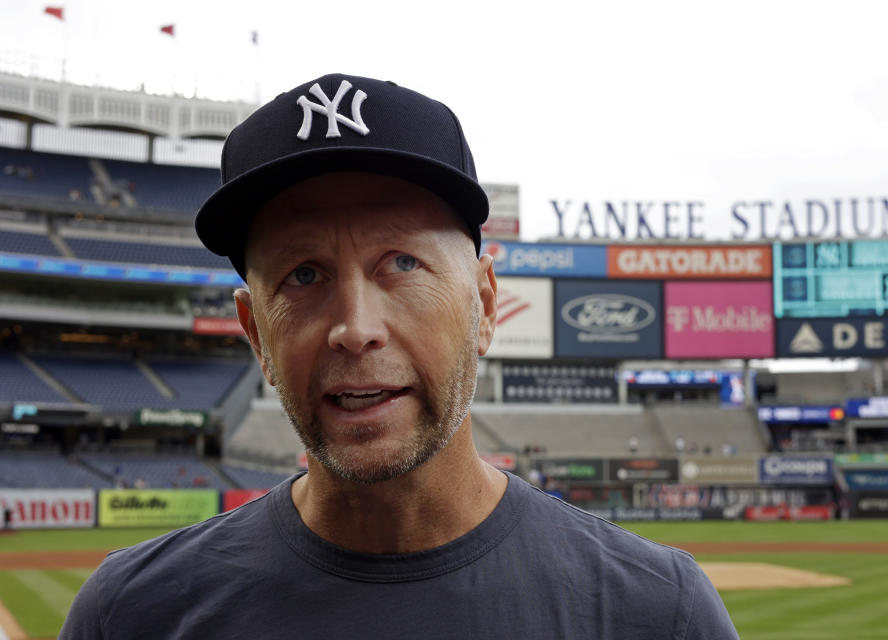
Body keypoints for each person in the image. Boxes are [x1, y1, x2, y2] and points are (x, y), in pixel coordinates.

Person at [60, 73, 738, 639]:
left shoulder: (659, 615)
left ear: (485, 304)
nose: (355, 330)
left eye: (402, 262)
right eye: (303, 275)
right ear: (257, 335)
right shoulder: (129, 618)